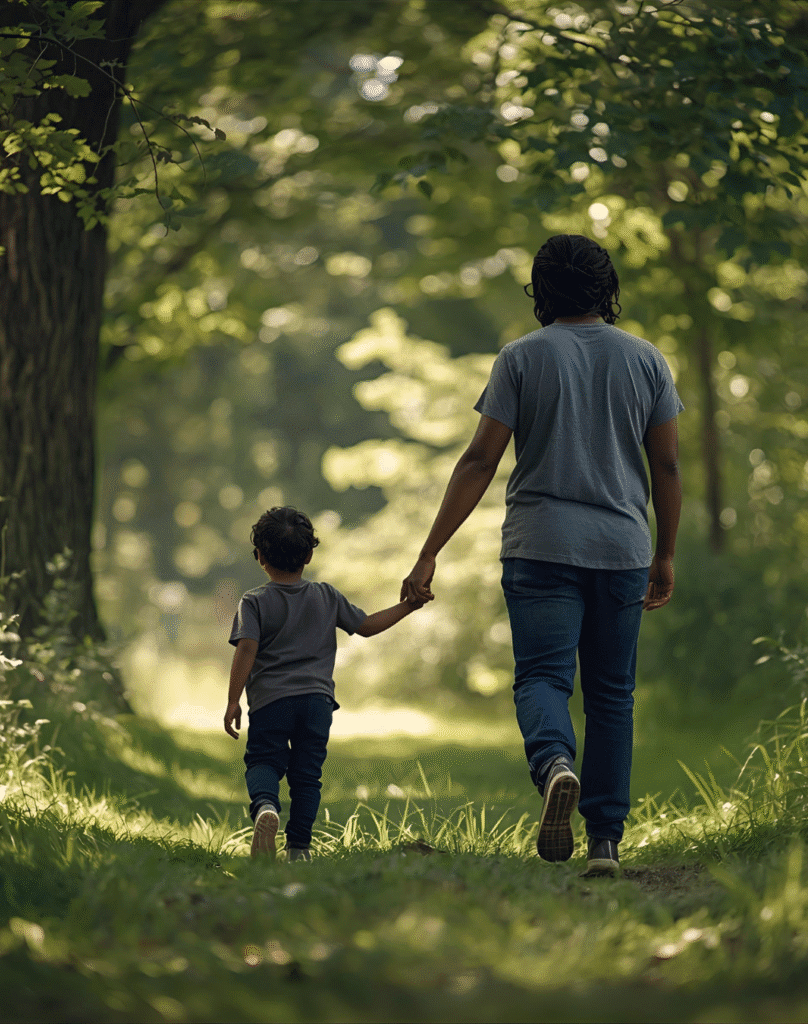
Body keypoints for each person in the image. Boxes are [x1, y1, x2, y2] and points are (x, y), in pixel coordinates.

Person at [402, 234, 682, 876]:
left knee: (542, 679)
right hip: (621, 549)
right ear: (606, 286)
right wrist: (664, 553)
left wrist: (428, 554)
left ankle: (556, 763)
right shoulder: (646, 360)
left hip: (540, 548)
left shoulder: (520, 358)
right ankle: (605, 844)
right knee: (612, 694)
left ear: (542, 288)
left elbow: (479, 460)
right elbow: (664, 464)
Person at [225, 506, 431, 862]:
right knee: (307, 776)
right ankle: (299, 849)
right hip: (316, 703)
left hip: (270, 702)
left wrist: (232, 701)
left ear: (260, 556)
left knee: (263, 761)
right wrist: (409, 607)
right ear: (308, 554)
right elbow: (366, 626)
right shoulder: (326, 596)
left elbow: (246, 650)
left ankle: (265, 809)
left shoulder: (253, 602)